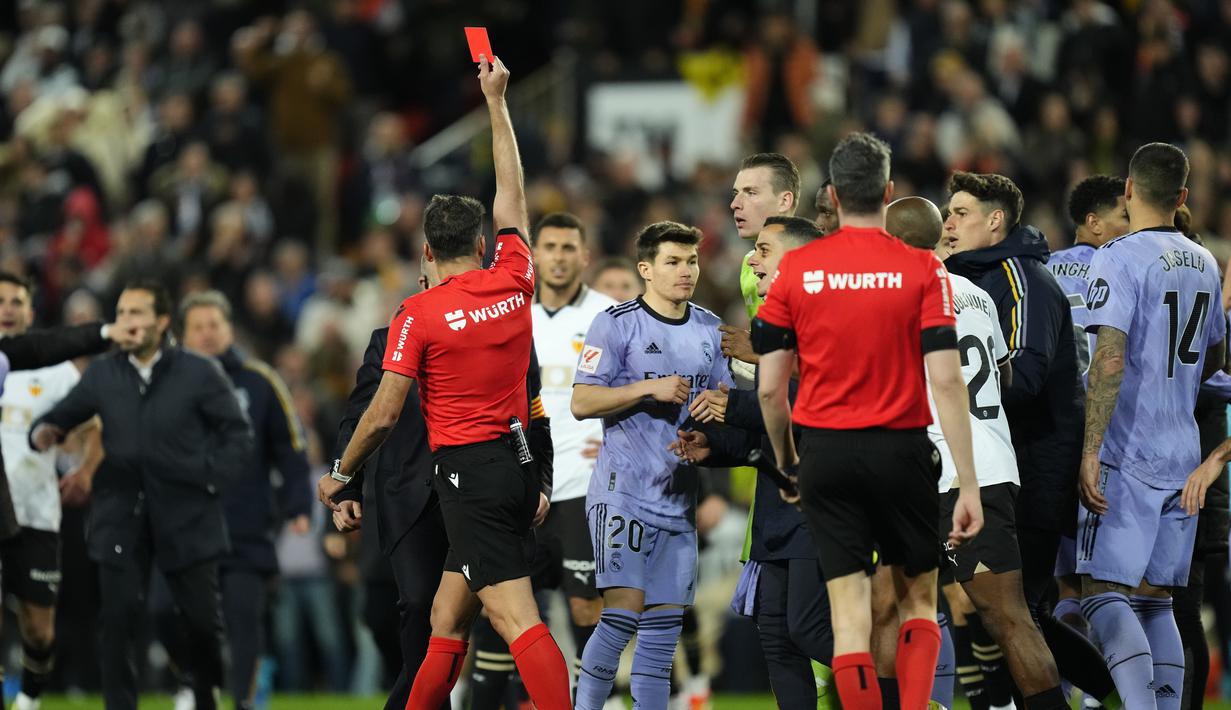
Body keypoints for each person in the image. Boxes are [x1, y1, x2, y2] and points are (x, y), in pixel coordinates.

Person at [319, 56, 572, 710]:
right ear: (485, 241)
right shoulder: (515, 276)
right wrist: (496, 102)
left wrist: (340, 470)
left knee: (516, 619)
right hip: (515, 464)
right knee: (445, 620)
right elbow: (511, 188)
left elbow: (381, 414)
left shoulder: (419, 314)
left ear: (425, 252)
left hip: (467, 475)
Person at [752, 132, 983, 710]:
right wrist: (968, 480)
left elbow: (771, 387)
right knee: (917, 603)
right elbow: (948, 380)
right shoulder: (921, 270)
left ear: (830, 192)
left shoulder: (796, 272)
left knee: (850, 623)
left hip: (826, 454)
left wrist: (787, 464)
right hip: (901, 450)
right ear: (887, 191)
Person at [29, 280, 255, 710]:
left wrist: (209, 477)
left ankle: (205, 696)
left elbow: (238, 435)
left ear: (162, 321)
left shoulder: (199, 371)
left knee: (203, 624)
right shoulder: (103, 373)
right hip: (120, 512)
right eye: (121, 313)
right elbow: (62, 415)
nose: (126, 323)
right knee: (116, 622)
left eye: (136, 313)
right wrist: (43, 430)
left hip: (187, 512)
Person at [885, 196, 1069, 710]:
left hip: (945, 472)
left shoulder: (898, 298)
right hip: (991, 464)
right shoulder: (975, 295)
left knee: (922, 612)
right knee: (999, 615)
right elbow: (1003, 374)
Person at [943, 172, 1118, 703]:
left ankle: (1121, 694)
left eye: (960, 213)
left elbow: (1028, 370)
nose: (948, 223)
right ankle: (1117, 696)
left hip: (1034, 461)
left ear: (995, 221)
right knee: (1011, 611)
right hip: (999, 463)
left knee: (1022, 611)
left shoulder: (1022, 277)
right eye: (946, 213)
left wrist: (947, 387)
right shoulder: (970, 278)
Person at [1076, 143, 1226, 710]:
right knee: (1158, 601)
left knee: (1101, 593)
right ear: (1182, 197)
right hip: (1183, 452)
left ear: (1130, 192)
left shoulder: (1116, 256)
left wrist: (1091, 450)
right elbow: (1215, 355)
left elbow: (1108, 359)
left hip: (1128, 449)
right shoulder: (1206, 261)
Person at [673, 215, 836, 710]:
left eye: (764, 249)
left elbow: (825, 408)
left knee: (808, 629)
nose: (753, 260)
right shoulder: (775, 326)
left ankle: (901, 690)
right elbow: (771, 429)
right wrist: (716, 446)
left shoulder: (830, 318)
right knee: (776, 634)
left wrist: (740, 402)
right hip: (777, 497)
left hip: (824, 496)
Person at [570, 220, 732, 709]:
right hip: (623, 491)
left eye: (692, 261)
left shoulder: (708, 327)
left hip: (679, 499)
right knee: (620, 617)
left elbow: (723, 403)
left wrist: (711, 425)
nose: (686, 271)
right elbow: (582, 401)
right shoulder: (616, 323)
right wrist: (646, 387)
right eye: (673, 261)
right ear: (646, 268)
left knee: (663, 631)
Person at [466, 211, 615, 708]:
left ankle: (593, 700)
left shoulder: (608, 316)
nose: (558, 257)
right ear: (536, 255)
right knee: (501, 611)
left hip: (584, 487)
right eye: (548, 247)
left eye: (568, 247)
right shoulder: (510, 312)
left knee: (584, 606)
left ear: (584, 256)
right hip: (517, 485)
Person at [177, 290, 313, 710]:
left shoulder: (260, 380)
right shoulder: (167, 382)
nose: (206, 334)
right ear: (182, 335)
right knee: (174, 615)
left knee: (243, 620)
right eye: (197, 327)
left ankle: (242, 700)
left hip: (247, 527)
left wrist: (299, 505)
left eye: (213, 325)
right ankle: (197, 686)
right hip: (183, 528)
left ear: (229, 328)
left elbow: (291, 447)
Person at [0, 273, 103, 710]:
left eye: (16, 301)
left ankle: (29, 699)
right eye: (0, 300)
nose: (7, 308)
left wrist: (85, 471)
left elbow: (96, 428)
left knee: (39, 631)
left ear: (30, 310)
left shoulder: (56, 370)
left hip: (37, 513)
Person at [1047, 175, 1130, 669]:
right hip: (1115, 438)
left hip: (1053, 438)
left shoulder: (1042, 270)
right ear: (1094, 224)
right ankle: (1108, 696)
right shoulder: (1125, 268)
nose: (1130, 224)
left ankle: (1058, 695)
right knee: (1114, 584)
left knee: (1062, 586)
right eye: (1123, 216)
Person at [730, 153, 801, 320]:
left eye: (751, 193)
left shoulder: (817, 266)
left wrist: (752, 347)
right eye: (736, 193)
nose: (735, 204)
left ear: (784, 201)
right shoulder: (749, 264)